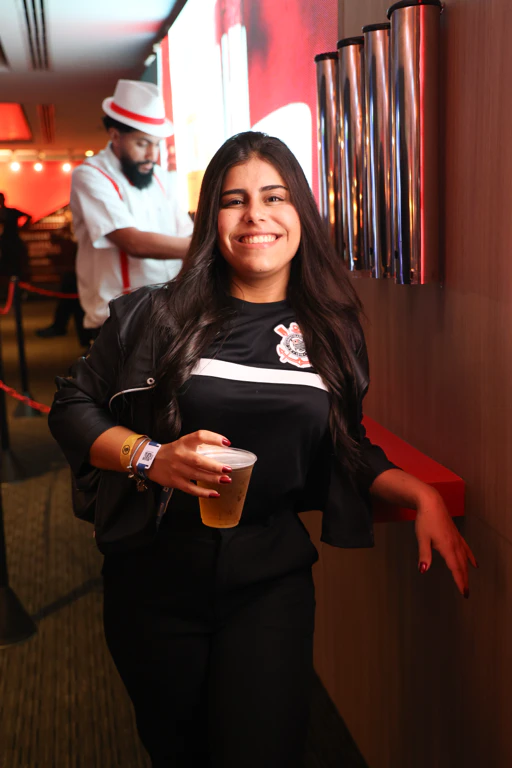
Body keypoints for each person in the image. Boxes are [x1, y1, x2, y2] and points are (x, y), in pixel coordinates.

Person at [49, 132, 477, 768]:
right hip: (153, 577)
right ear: (211, 218)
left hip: (269, 579)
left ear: (300, 212)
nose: (256, 215)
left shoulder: (333, 330)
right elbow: (71, 406)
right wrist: (150, 456)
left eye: (274, 197)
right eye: (235, 200)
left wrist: (417, 493)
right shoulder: (154, 315)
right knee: (179, 752)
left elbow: (344, 444)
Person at [70, 79, 193, 340]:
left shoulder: (162, 177)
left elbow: (186, 232)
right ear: (115, 135)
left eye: (156, 144)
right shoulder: (90, 175)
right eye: (142, 144)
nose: (152, 155)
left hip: (169, 313)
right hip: (118, 322)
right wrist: (207, 247)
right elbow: (132, 242)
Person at [0, 192, 31, 278]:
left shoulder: (12, 212)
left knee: (15, 261)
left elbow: (28, 216)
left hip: (11, 240)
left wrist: (23, 227)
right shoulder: (11, 212)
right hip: (7, 241)